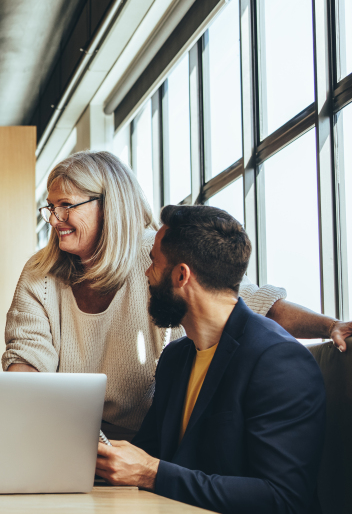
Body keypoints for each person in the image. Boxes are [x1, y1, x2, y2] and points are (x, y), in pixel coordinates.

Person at [4, 151, 348, 440]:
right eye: (50, 207)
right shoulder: (41, 273)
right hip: (71, 435)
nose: (54, 219)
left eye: (66, 206)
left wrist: (329, 326)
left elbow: (246, 303)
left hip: (154, 443)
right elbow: (27, 361)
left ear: (109, 206)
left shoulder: (156, 255)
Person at [95, 205, 326, 514]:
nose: (146, 274)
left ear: (181, 275)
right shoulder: (176, 358)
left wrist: (152, 472)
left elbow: (282, 498)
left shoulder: (280, 362)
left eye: (153, 262)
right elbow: (146, 454)